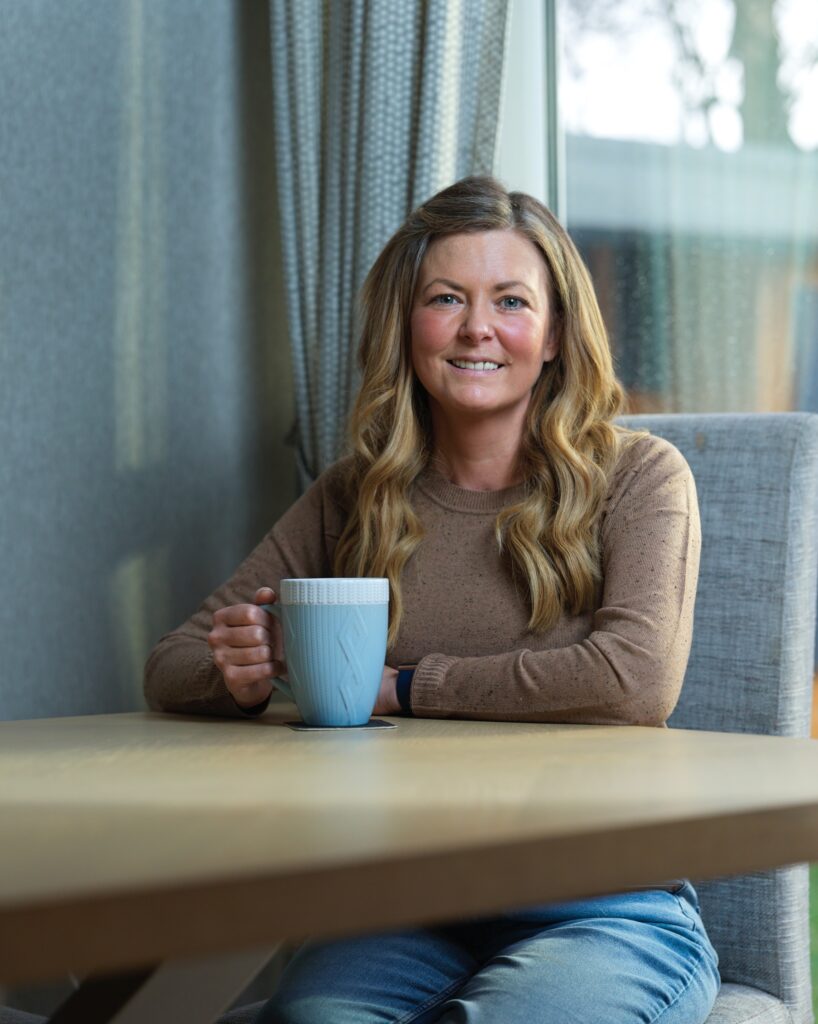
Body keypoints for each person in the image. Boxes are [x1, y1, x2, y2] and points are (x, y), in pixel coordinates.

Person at [144, 176, 720, 1023]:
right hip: (403, 905)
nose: (476, 327)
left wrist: (408, 688)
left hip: (604, 903)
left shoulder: (639, 478)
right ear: (406, 329)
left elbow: (635, 679)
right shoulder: (356, 496)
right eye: (446, 298)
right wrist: (242, 675)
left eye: (511, 301)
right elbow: (171, 663)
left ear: (557, 332)